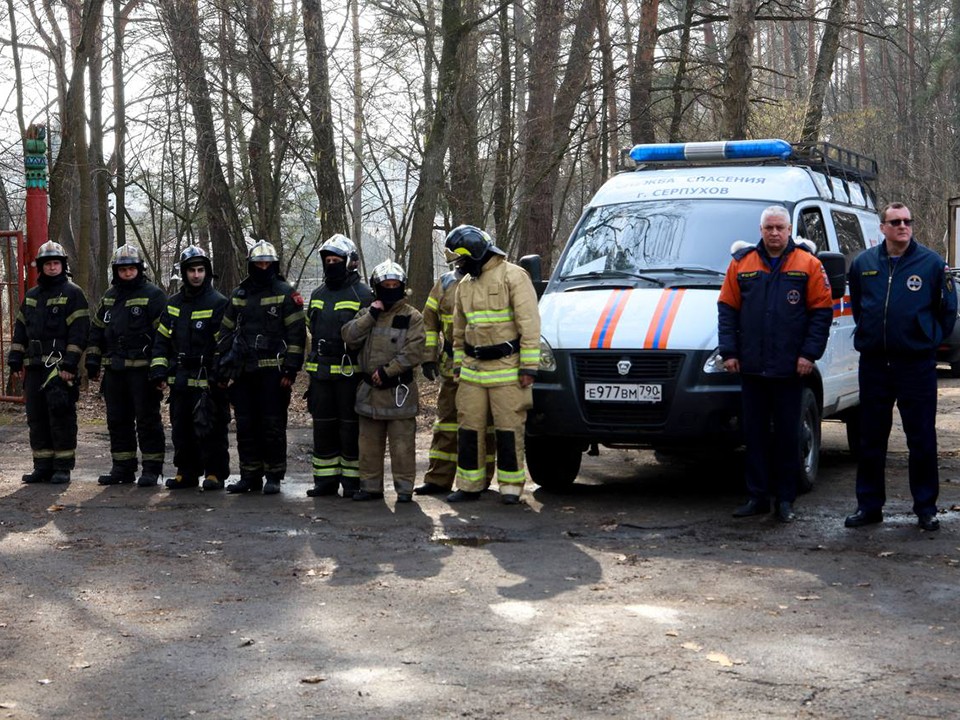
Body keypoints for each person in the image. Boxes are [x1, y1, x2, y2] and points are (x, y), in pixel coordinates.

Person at [844, 203, 957, 531]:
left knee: (921, 437)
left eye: (908, 221)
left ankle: (925, 508)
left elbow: (947, 310)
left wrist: (928, 338)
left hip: (916, 365)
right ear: (882, 228)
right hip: (876, 363)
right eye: (895, 222)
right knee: (871, 438)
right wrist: (870, 332)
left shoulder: (932, 263)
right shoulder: (864, 263)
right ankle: (869, 506)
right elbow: (859, 306)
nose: (903, 226)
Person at [718, 205, 834, 522]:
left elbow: (821, 313)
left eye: (779, 227)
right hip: (752, 367)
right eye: (769, 227)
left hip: (790, 368)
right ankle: (757, 497)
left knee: (788, 436)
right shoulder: (741, 264)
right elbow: (727, 310)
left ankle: (785, 500)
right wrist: (729, 352)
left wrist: (809, 355)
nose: (774, 233)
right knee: (753, 435)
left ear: (788, 230)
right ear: (761, 230)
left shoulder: (808, 264)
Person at [444, 225, 541, 505]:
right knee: (469, 428)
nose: (459, 265)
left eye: (461, 259)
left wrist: (529, 368)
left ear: (474, 252)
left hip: (507, 367)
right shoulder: (465, 285)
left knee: (508, 429)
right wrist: (459, 368)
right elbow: (459, 333)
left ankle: (511, 487)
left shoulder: (514, 276)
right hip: (473, 371)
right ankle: (469, 485)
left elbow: (529, 324)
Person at [216, 240, 306, 495]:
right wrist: (224, 366)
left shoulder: (286, 292)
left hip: (274, 374)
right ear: (251, 265)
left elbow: (297, 335)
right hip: (243, 373)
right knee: (245, 425)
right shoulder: (239, 294)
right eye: (258, 263)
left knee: (272, 425)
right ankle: (249, 475)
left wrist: (291, 369)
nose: (263, 267)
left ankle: (274, 476)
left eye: (267, 263)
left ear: (274, 265)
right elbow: (224, 331)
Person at [341, 260, 425, 503]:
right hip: (369, 393)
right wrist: (371, 315)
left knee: (402, 447)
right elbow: (349, 337)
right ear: (376, 287)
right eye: (385, 285)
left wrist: (389, 371)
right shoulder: (367, 314)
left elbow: (414, 350)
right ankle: (370, 488)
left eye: (394, 285)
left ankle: (404, 490)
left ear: (402, 286)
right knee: (368, 446)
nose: (390, 289)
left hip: (399, 392)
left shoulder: (413, 317)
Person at [7, 241, 90, 485]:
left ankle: (62, 467)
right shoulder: (32, 296)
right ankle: (42, 466)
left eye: (56, 263)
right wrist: (15, 358)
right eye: (48, 264)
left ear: (62, 265)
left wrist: (70, 365)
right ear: (40, 267)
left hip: (58, 369)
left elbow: (79, 332)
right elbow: (20, 328)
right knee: (37, 417)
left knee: (61, 416)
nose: (52, 267)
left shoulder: (73, 293)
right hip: (33, 367)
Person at [149, 246, 230, 491]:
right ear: (183, 274)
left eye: (200, 270)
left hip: (208, 380)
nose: (196, 275)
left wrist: (219, 374)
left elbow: (223, 343)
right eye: (192, 271)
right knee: (181, 428)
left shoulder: (219, 303)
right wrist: (159, 371)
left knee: (212, 428)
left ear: (207, 272)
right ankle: (186, 472)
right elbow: (161, 341)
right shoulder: (173, 304)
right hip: (181, 379)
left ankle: (215, 473)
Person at [87, 244, 168, 487]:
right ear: (116, 271)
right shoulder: (109, 297)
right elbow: (97, 330)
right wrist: (92, 359)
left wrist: (159, 369)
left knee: (147, 420)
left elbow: (163, 336)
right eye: (123, 269)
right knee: (117, 420)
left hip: (143, 371)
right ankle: (122, 467)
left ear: (139, 269)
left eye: (131, 268)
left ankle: (152, 470)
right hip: (115, 371)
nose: (127, 273)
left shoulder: (154, 296)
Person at [415, 251, 495, 496]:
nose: (461, 261)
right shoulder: (445, 282)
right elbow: (429, 322)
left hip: (484, 363)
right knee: (447, 421)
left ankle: (479, 479)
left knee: (482, 423)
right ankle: (438, 479)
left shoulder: (490, 280)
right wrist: (429, 357)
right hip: (451, 363)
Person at [304, 234, 374, 498]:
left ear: (350, 262)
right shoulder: (318, 294)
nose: (331, 264)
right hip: (321, 374)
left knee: (349, 429)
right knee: (323, 428)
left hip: (350, 375)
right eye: (328, 260)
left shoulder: (364, 294)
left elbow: (368, 337)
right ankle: (325, 482)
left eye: (336, 260)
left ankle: (353, 482)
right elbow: (312, 327)